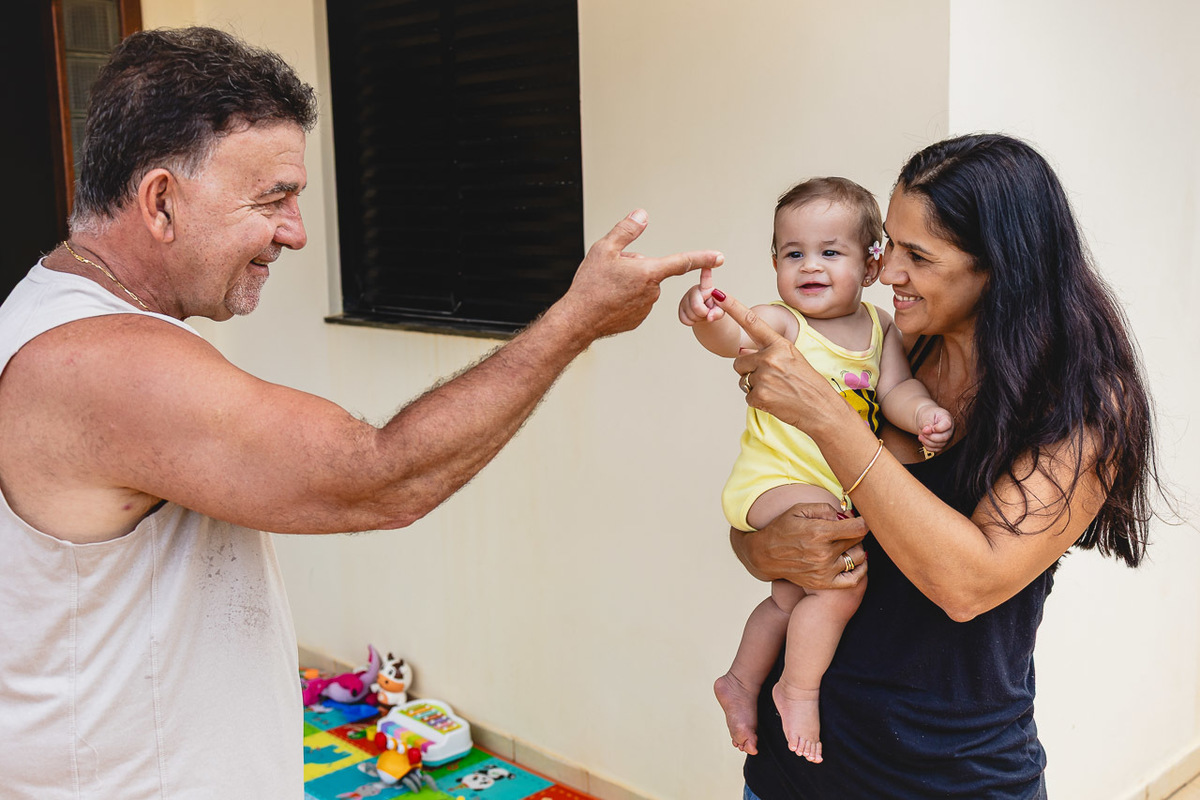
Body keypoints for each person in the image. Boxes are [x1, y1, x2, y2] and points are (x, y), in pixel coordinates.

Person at [0, 27, 723, 798]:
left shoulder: (56, 312)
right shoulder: (104, 361)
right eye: (272, 199)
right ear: (160, 201)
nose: (296, 232)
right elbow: (382, 478)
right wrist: (575, 320)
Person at [713, 134, 1157, 798]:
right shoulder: (902, 347)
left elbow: (966, 586)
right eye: (890, 245)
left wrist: (828, 416)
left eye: (917, 256)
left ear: (999, 267)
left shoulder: (1084, 406)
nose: (888, 271)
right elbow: (773, 532)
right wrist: (761, 546)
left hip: (951, 778)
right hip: (794, 770)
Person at [677, 177, 952, 763]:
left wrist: (924, 413)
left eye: (830, 252)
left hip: (826, 486)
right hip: (773, 481)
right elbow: (733, 336)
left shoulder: (880, 327)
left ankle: (740, 681)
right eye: (793, 253)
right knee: (842, 582)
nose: (810, 266)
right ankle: (797, 691)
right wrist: (705, 317)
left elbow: (895, 390)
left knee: (788, 597)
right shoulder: (783, 323)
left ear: (871, 265)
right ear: (775, 262)